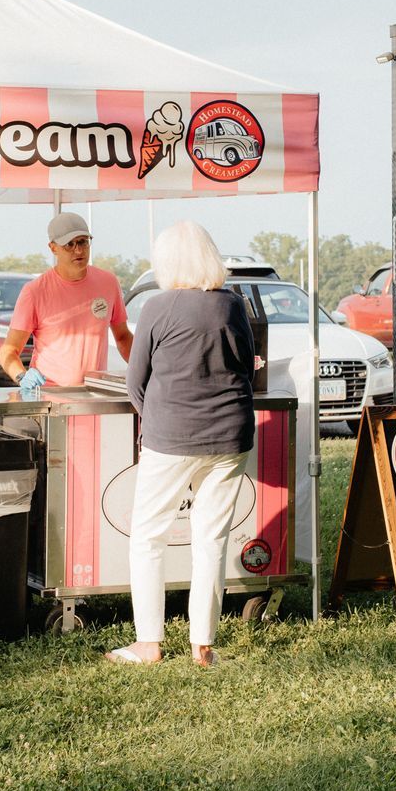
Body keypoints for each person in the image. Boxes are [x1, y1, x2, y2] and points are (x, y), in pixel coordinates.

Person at [113, 221, 256, 669]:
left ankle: (148, 643)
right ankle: (204, 647)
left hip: (170, 436)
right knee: (211, 538)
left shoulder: (158, 306)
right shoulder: (232, 306)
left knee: (148, 537)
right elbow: (247, 367)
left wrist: (156, 417)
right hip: (230, 434)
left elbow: (136, 380)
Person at [0, 212, 133, 393]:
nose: (78, 250)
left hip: (97, 395)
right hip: (50, 396)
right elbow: (9, 350)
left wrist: (148, 370)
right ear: (53, 248)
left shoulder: (108, 283)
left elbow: (123, 337)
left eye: (83, 242)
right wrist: (22, 376)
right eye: (69, 244)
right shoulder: (34, 292)